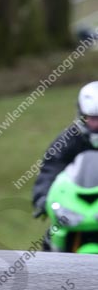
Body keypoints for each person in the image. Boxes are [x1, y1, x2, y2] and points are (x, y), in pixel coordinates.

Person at [33, 81, 98, 215]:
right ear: (82, 115)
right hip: (76, 208)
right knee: (54, 235)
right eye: (92, 118)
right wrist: (42, 196)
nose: (96, 124)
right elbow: (52, 167)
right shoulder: (70, 139)